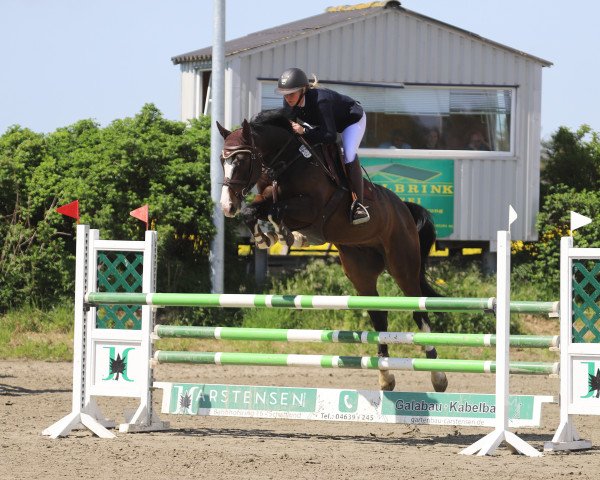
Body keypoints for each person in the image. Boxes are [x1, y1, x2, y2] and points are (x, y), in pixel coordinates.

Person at [276, 67, 370, 225]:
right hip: (325, 125)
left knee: (348, 154)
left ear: (303, 90)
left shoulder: (321, 100)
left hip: (351, 122)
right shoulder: (289, 103)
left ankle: (358, 204)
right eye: (285, 94)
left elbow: (330, 136)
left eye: (292, 93)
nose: (288, 98)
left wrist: (304, 131)